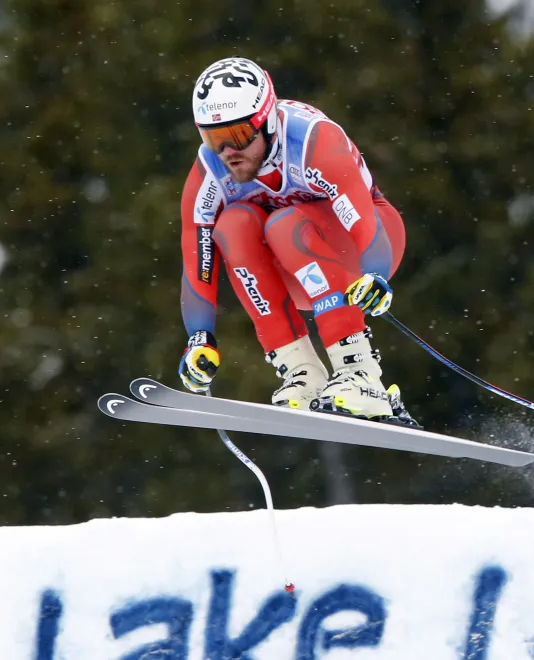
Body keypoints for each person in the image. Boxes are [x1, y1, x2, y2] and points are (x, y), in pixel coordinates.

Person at [177, 57, 416, 426]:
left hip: (366, 246)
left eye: (238, 136)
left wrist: (376, 273)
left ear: (268, 121)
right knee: (233, 224)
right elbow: (198, 260)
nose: (228, 153)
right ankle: (303, 373)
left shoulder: (312, 142)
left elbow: (364, 222)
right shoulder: (211, 170)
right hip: (301, 274)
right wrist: (199, 338)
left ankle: (362, 375)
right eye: (213, 138)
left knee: (284, 223)